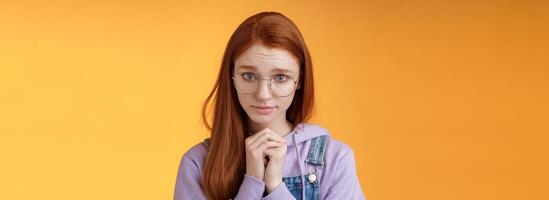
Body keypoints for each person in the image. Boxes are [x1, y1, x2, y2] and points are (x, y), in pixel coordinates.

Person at [174, 11, 365, 200]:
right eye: (249, 76)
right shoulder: (197, 163)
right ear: (231, 76)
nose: (263, 94)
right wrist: (253, 182)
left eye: (281, 77)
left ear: (299, 80)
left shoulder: (335, 160)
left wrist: (276, 187)